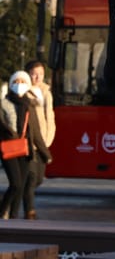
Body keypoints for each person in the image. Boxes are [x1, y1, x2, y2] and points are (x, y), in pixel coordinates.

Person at [0, 70, 51, 220]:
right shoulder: (3, 103)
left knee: (21, 186)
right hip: (8, 147)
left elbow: (35, 132)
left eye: (23, 82)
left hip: (24, 149)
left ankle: (14, 216)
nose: (19, 85)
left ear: (28, 85)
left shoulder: (29, 105)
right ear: (11, 84)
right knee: (15, 183)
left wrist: (45, 154)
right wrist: (9, 133)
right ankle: (2, 211)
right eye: (16, 82)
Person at [23, 60, 55, 220]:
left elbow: (50, 116)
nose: (37, 77)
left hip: (44, 141)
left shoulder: (46, 92)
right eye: (34, 74)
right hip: (30, 143)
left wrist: (49, 138)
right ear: (27, 74)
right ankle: (30, 210)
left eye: (41, 74)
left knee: (39, 179)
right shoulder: (24, 93)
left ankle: (14, 194)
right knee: (32, 177)